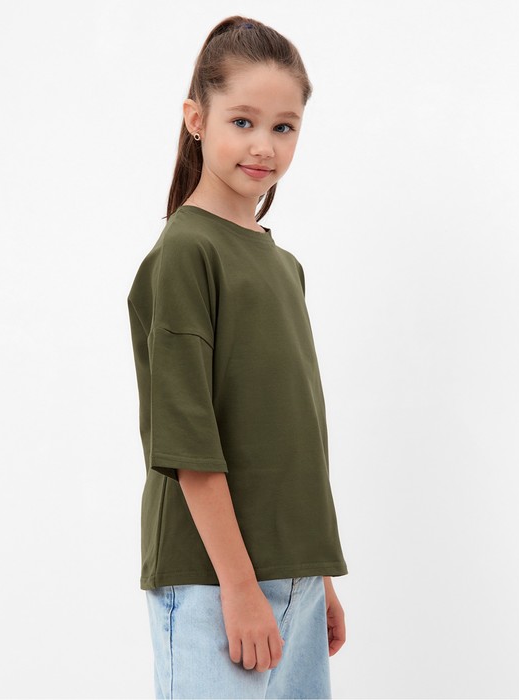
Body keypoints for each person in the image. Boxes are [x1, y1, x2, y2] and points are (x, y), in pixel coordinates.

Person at [127, 15, 349, 700]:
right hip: (214, 582)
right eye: (243, 121)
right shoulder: (186, 253)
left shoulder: (284, 266)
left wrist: (315, 576)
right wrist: (241, 586)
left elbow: (290, 432)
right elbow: (187, 441)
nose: (264, 145)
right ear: (196, 119)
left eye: (284, 127)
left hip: (290, 578)